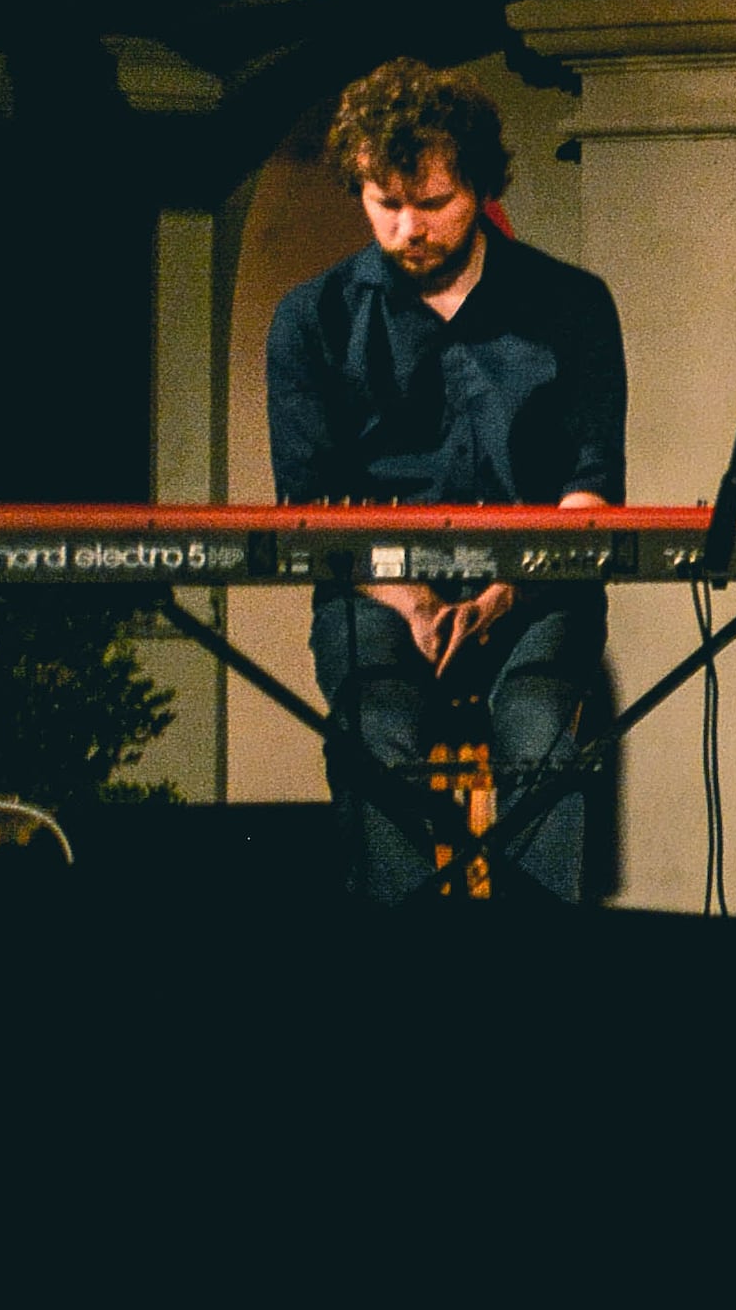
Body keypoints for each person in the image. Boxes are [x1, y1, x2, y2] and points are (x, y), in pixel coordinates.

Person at [267, 60, 627, 904]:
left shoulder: (570, 304)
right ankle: (405, 977)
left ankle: (535, 978)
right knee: (373, 734)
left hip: (536, 588)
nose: (407, 230)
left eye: (432, 204)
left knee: (541, 740)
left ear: (481, 188)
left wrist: (505, 590)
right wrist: (408, 597)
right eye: (384, 204)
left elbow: (590, 485)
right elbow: (310, 506)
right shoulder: (312, 318)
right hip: (374, 590)